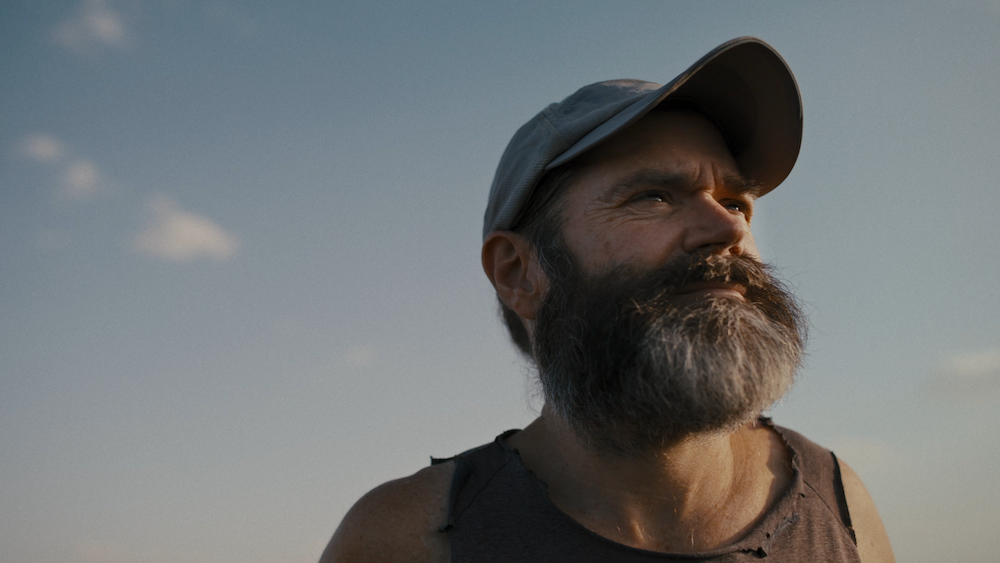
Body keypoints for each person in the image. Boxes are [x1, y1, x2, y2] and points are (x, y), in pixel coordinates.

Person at [322, 37, 894, 562]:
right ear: (519, 272)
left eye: (737, 203)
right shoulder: (402, 540)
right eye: (653, 196)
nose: (726, 228)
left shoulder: (839, 504)